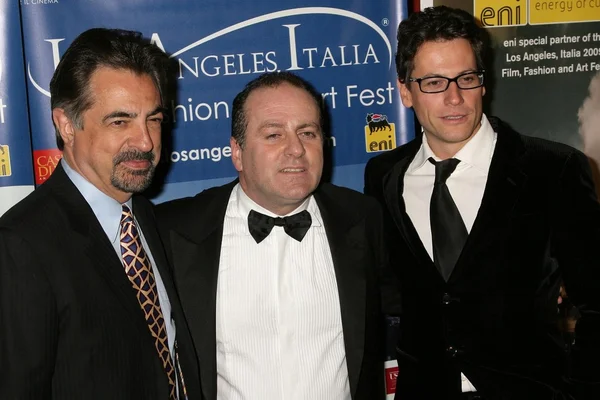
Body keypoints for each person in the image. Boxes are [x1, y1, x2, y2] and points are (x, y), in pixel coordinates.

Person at [364, 6, 600, 400]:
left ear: (483, 83)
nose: (455, 98)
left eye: (466, 78)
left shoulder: (553, 170)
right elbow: (393, 290)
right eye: (435, 82)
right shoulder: (383, 176)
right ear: (405, 90)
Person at [156, 71, 386, 400]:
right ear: (237, 152)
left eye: (308, 132)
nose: (296, 149)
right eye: (274, 135)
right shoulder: (174, 231)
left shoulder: (363, 218)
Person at [0, 28, 200, 399]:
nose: (145, 141)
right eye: (119, 121)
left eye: (153, 119)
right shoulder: (20, 246)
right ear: (65, 125)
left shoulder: (143, 215)